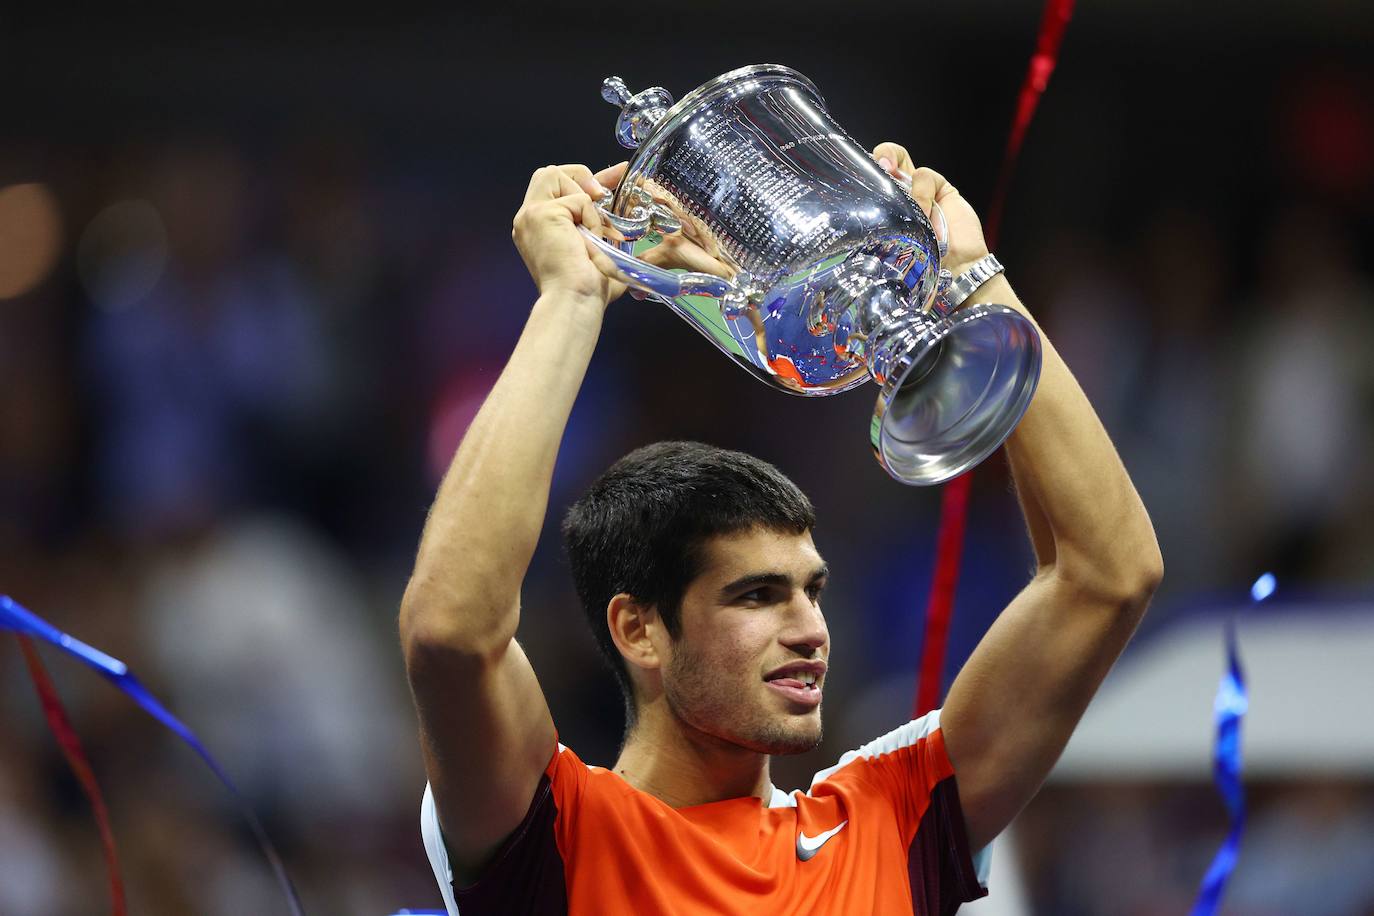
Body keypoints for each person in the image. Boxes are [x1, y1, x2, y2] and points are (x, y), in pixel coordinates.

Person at [399, 144, 1163, 915]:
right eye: (757, 596)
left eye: (812, 591)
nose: (810, 630)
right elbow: (449, 631)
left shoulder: (892, 819)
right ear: (639, 631)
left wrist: (971, 278)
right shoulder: (561, 834)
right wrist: (570, 301)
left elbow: (1109, 575)